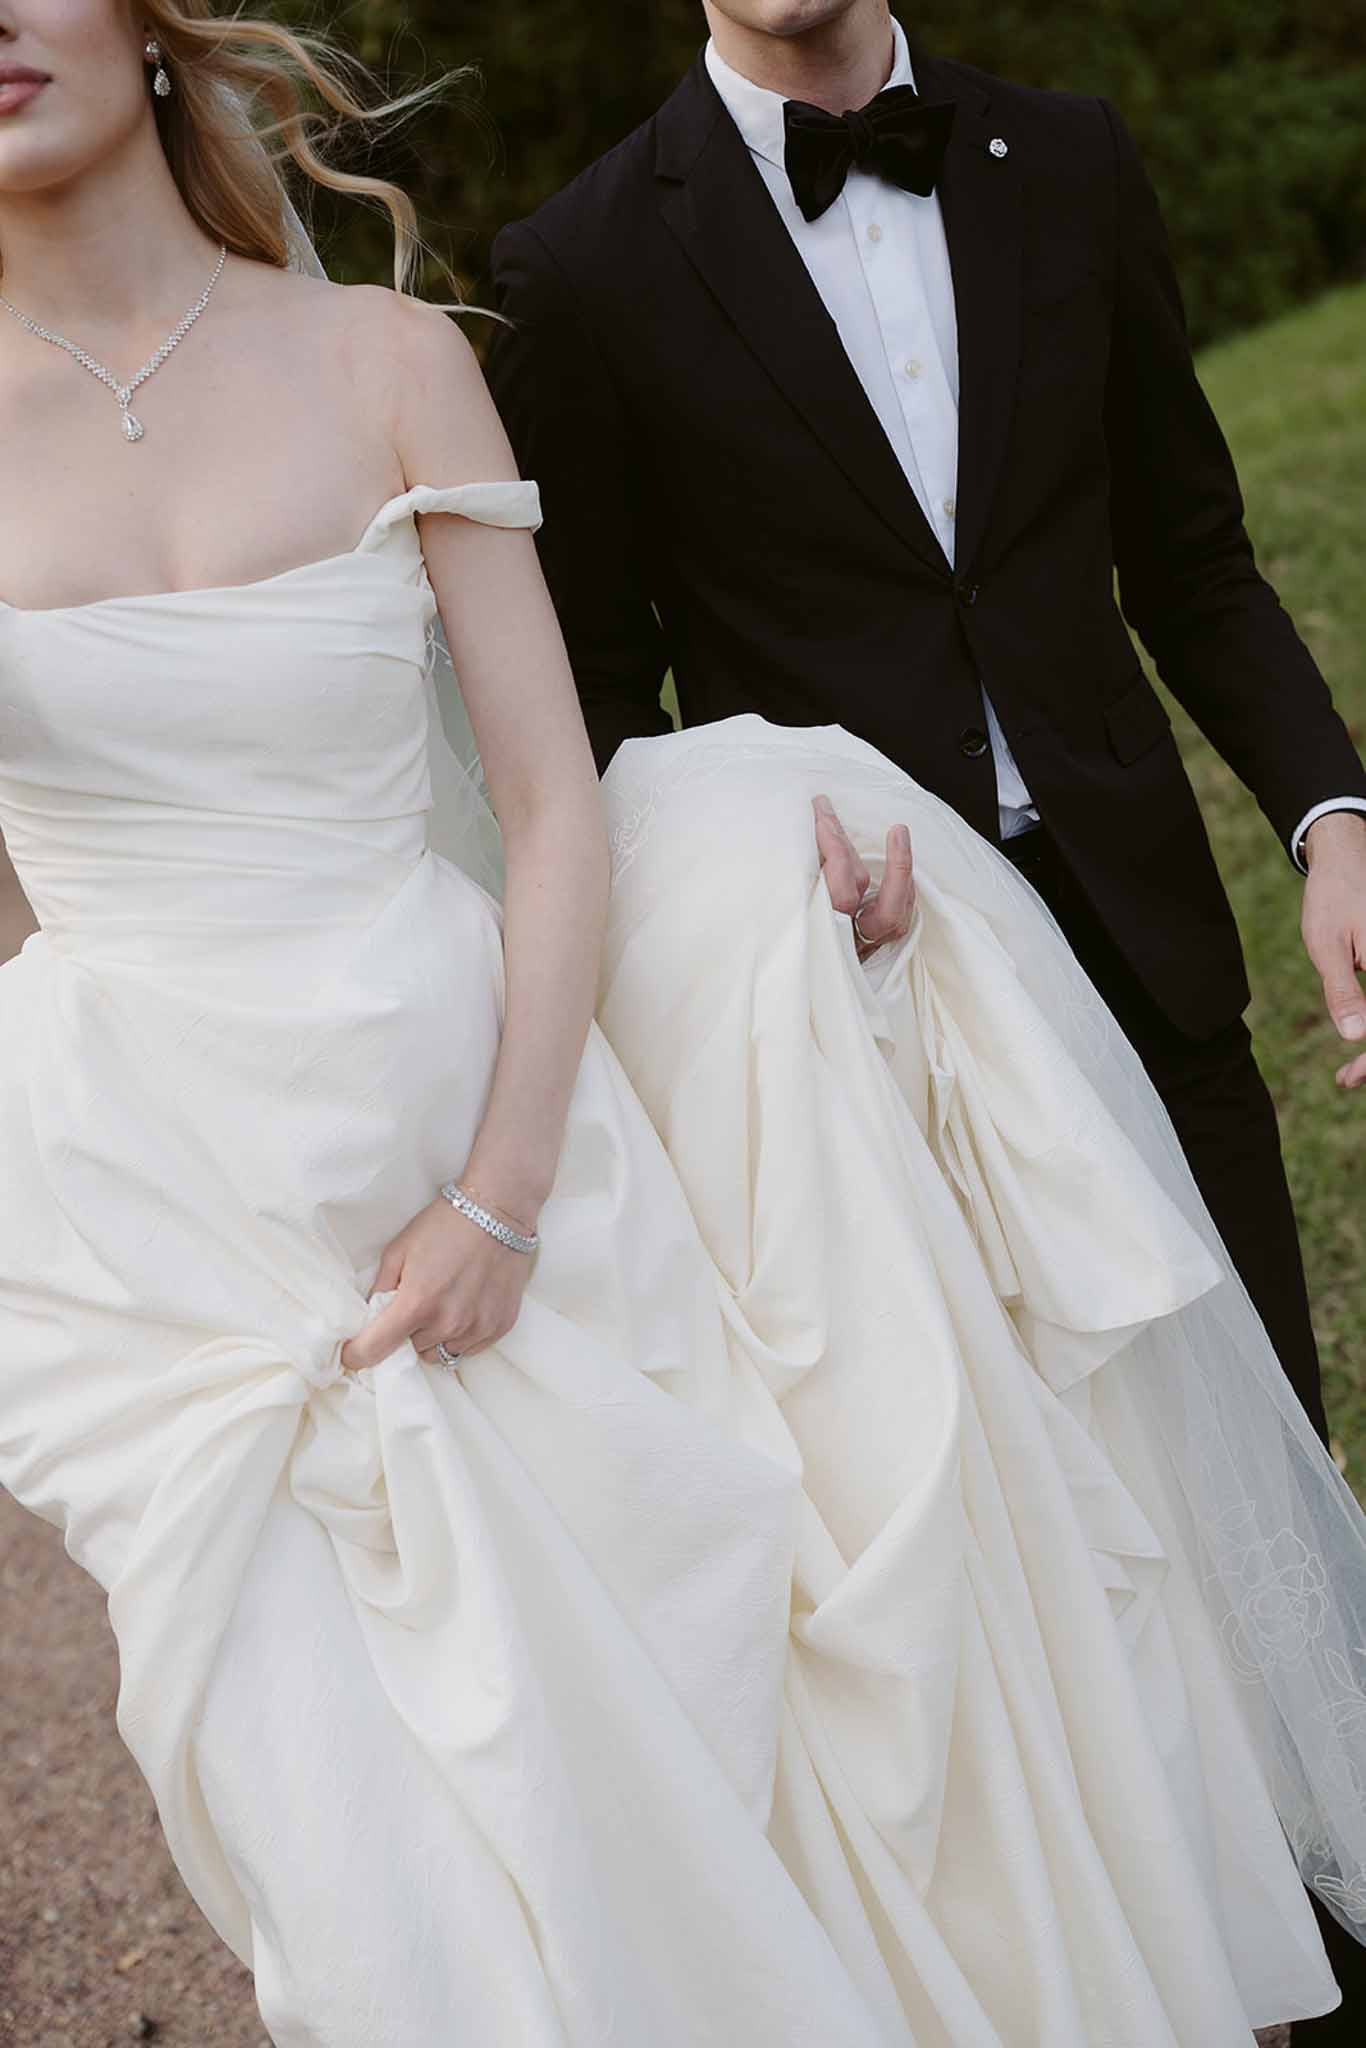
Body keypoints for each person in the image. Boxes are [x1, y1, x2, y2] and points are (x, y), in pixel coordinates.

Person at [3, 6, 1366, 2044]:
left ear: (149, 29)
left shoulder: (400, 358)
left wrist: (504, 1191)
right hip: (169, 1201)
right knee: (360, 1826)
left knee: (837, 1652)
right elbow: (581, 710)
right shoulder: (574, 261)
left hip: (586, 1072)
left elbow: (570, 778)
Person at [486, 0, 1366, 1462]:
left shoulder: (1072, 157)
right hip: (868, 1007)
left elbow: (1193, 562)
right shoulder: (576, 266)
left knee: (1274, 1455)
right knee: (1048, 1524)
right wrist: (757, 871)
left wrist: (1331, 819)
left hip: (1144, 954)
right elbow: (588, 687)